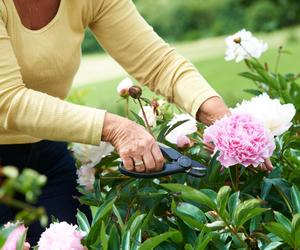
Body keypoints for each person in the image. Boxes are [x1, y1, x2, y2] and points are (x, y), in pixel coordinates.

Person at [0, 0, 269, 246]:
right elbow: (7, 100)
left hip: (46, 154)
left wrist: (225, 123)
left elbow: (158, 63)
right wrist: (116, 128)